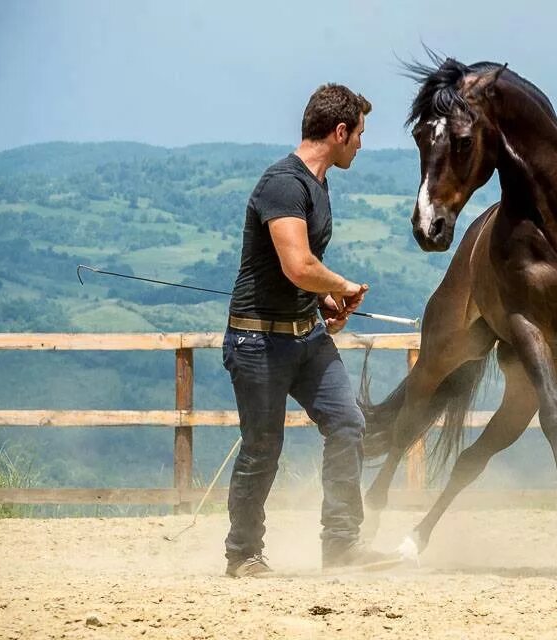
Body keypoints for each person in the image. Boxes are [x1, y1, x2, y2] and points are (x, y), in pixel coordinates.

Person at [222, 83, 398, 577]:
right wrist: (339, 283)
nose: (361, 144)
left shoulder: (318, 185)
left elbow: (297, 274)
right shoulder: (283, 183)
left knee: (347, 423)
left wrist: (326, 302)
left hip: (306, 334)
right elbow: (298, 264)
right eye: (359, 134)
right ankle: (243, 555)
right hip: (257, 340)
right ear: (339, 132)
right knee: (263, 446)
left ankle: (342, 545)